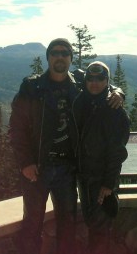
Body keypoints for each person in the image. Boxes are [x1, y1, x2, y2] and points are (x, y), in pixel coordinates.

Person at [9, 39, 123, 254]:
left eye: (65, 53)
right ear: (48, 57)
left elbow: (103, 82)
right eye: (55, 53)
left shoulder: (79, 82)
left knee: (67, 224)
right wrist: (25, 162)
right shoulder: (32, 87)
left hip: (67, 169)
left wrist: (118, 92)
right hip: (38, 168)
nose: (60, 57)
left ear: (70, 58)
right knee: (32, 223)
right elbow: (16, 128)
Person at [73, 61, 130, 254]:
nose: (95, 82)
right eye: (91, 78)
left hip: (101, 181)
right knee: (93, 223)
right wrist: (118, 90)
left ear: (107, 81)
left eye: (100, 79)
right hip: (85, 176)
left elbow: (117, 152)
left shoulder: (114, 110)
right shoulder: (85, 99)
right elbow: (77, 73)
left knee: (100, 227)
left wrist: (108, 184)